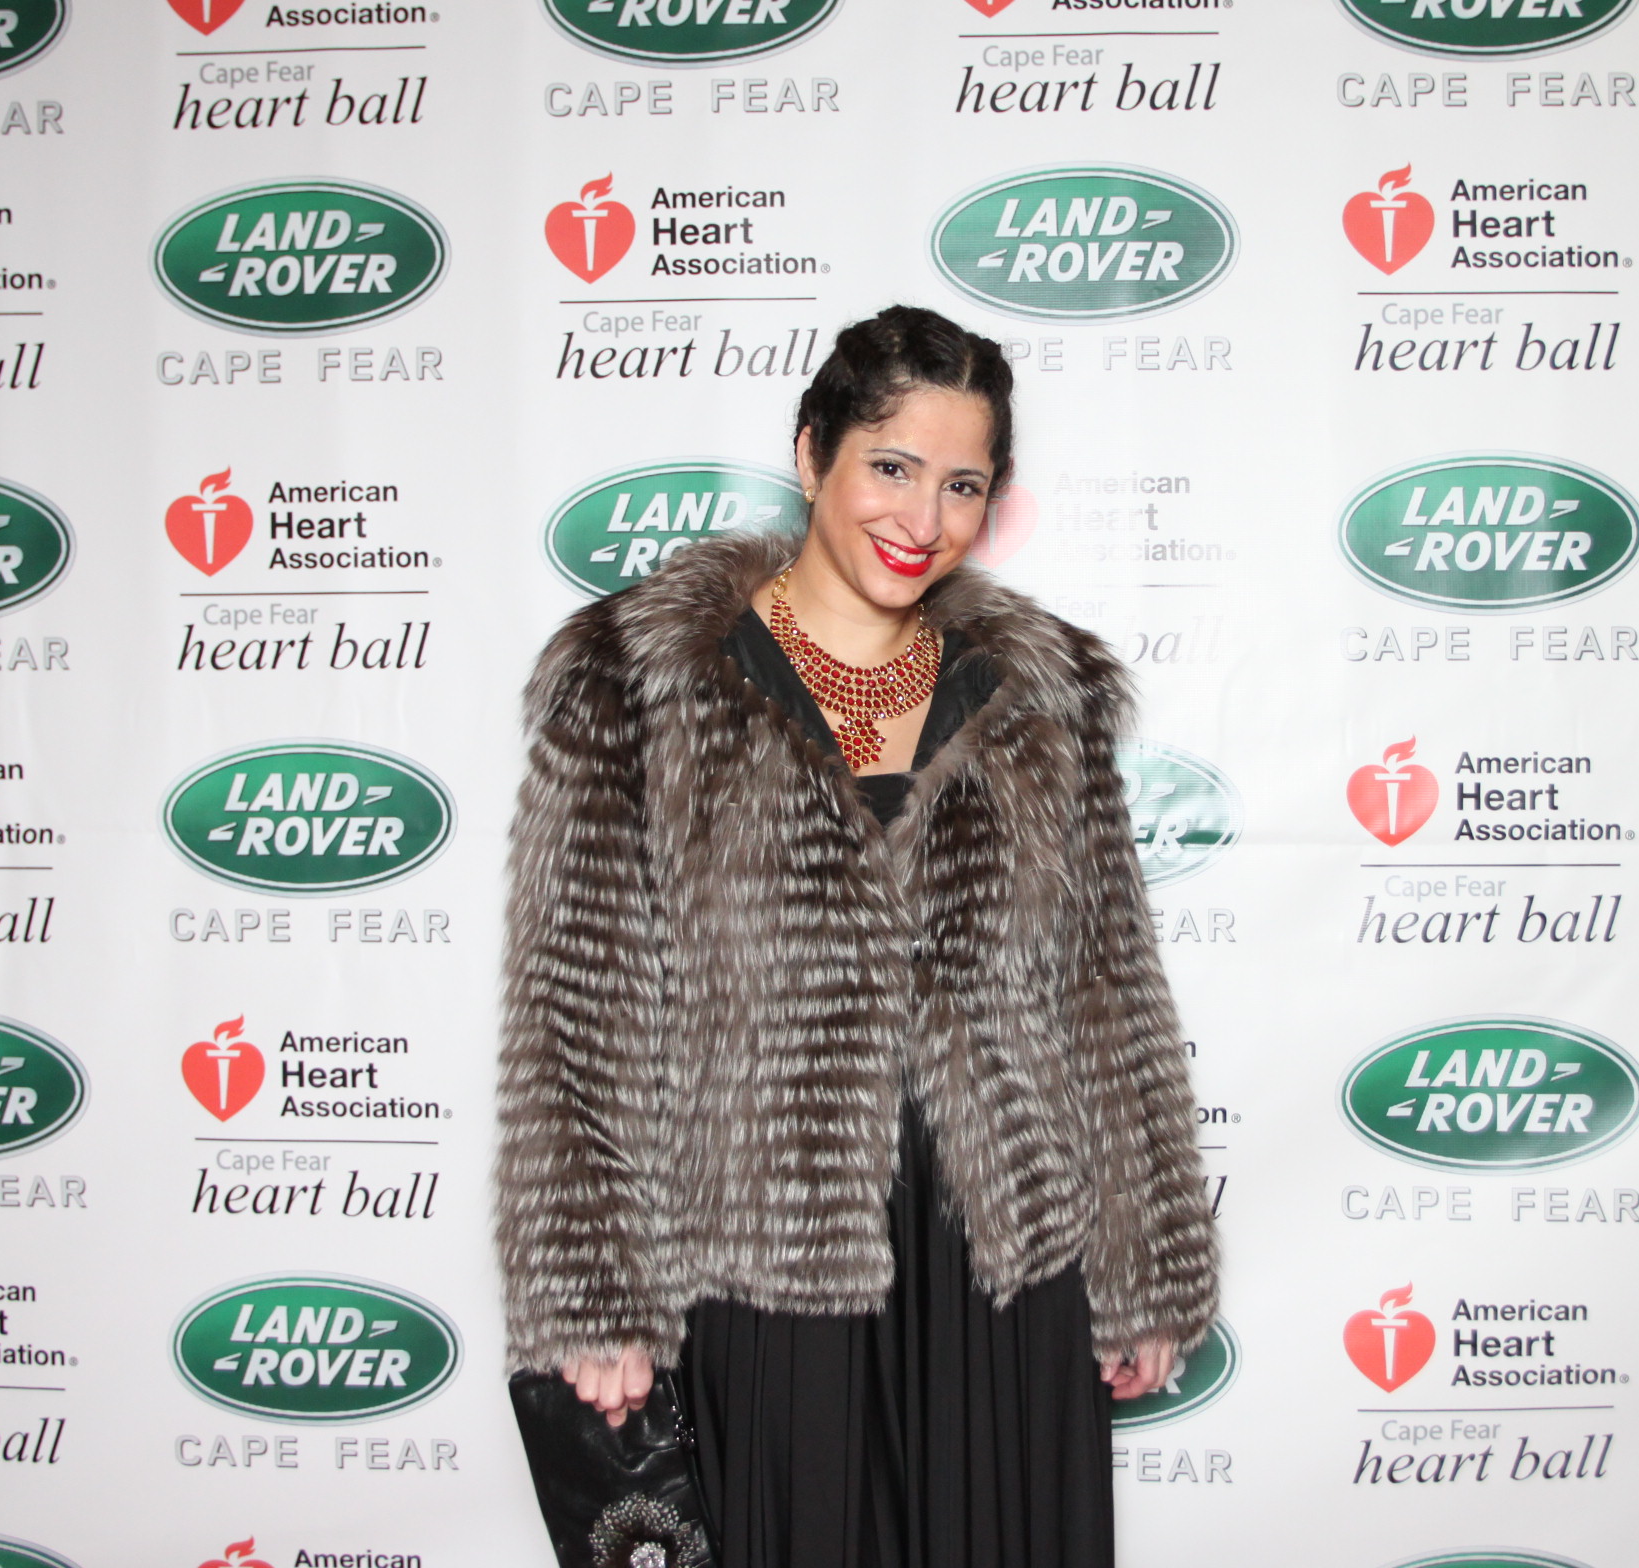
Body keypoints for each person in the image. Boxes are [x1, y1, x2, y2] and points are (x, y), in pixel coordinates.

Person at [495, 305, 1218, 1568]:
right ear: (810, 450)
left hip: (1003, 1273)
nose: (922, 518)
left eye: (962, 484)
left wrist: (1145, 1260)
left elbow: (1105, 986)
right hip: (765, 1265)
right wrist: (594, 1286)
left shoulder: (1045, 697)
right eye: (891, 465)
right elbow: (575, 1008)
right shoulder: (637, 682)